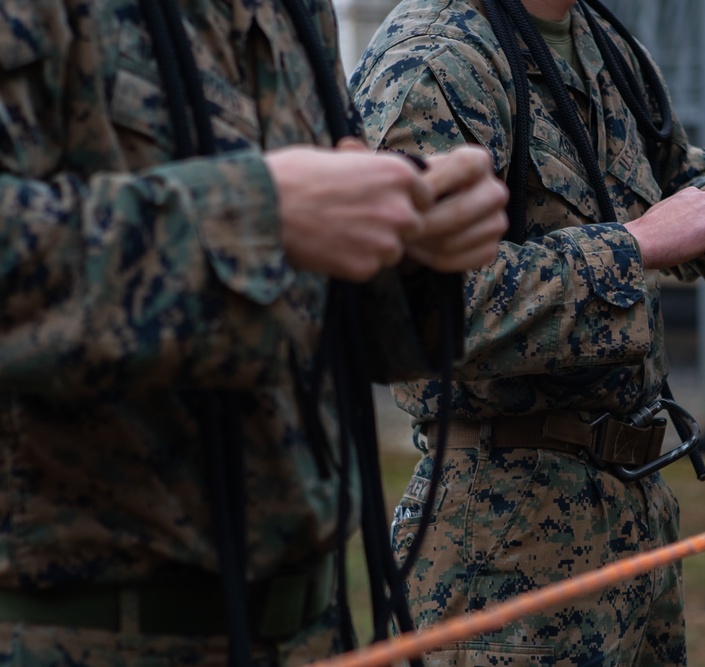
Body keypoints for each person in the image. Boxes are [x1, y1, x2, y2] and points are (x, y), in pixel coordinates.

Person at [0, 0, 508, 665]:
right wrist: (257, 215)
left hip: (307, 627)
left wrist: (408, 241)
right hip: (82, 635)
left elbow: (302, 298)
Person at [351, 0, 705, 663]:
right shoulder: (434, 63)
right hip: (504, 545)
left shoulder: (600, 39)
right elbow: (422, 309)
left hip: (633, 519)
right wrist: (633, 246)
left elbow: (666, 179)